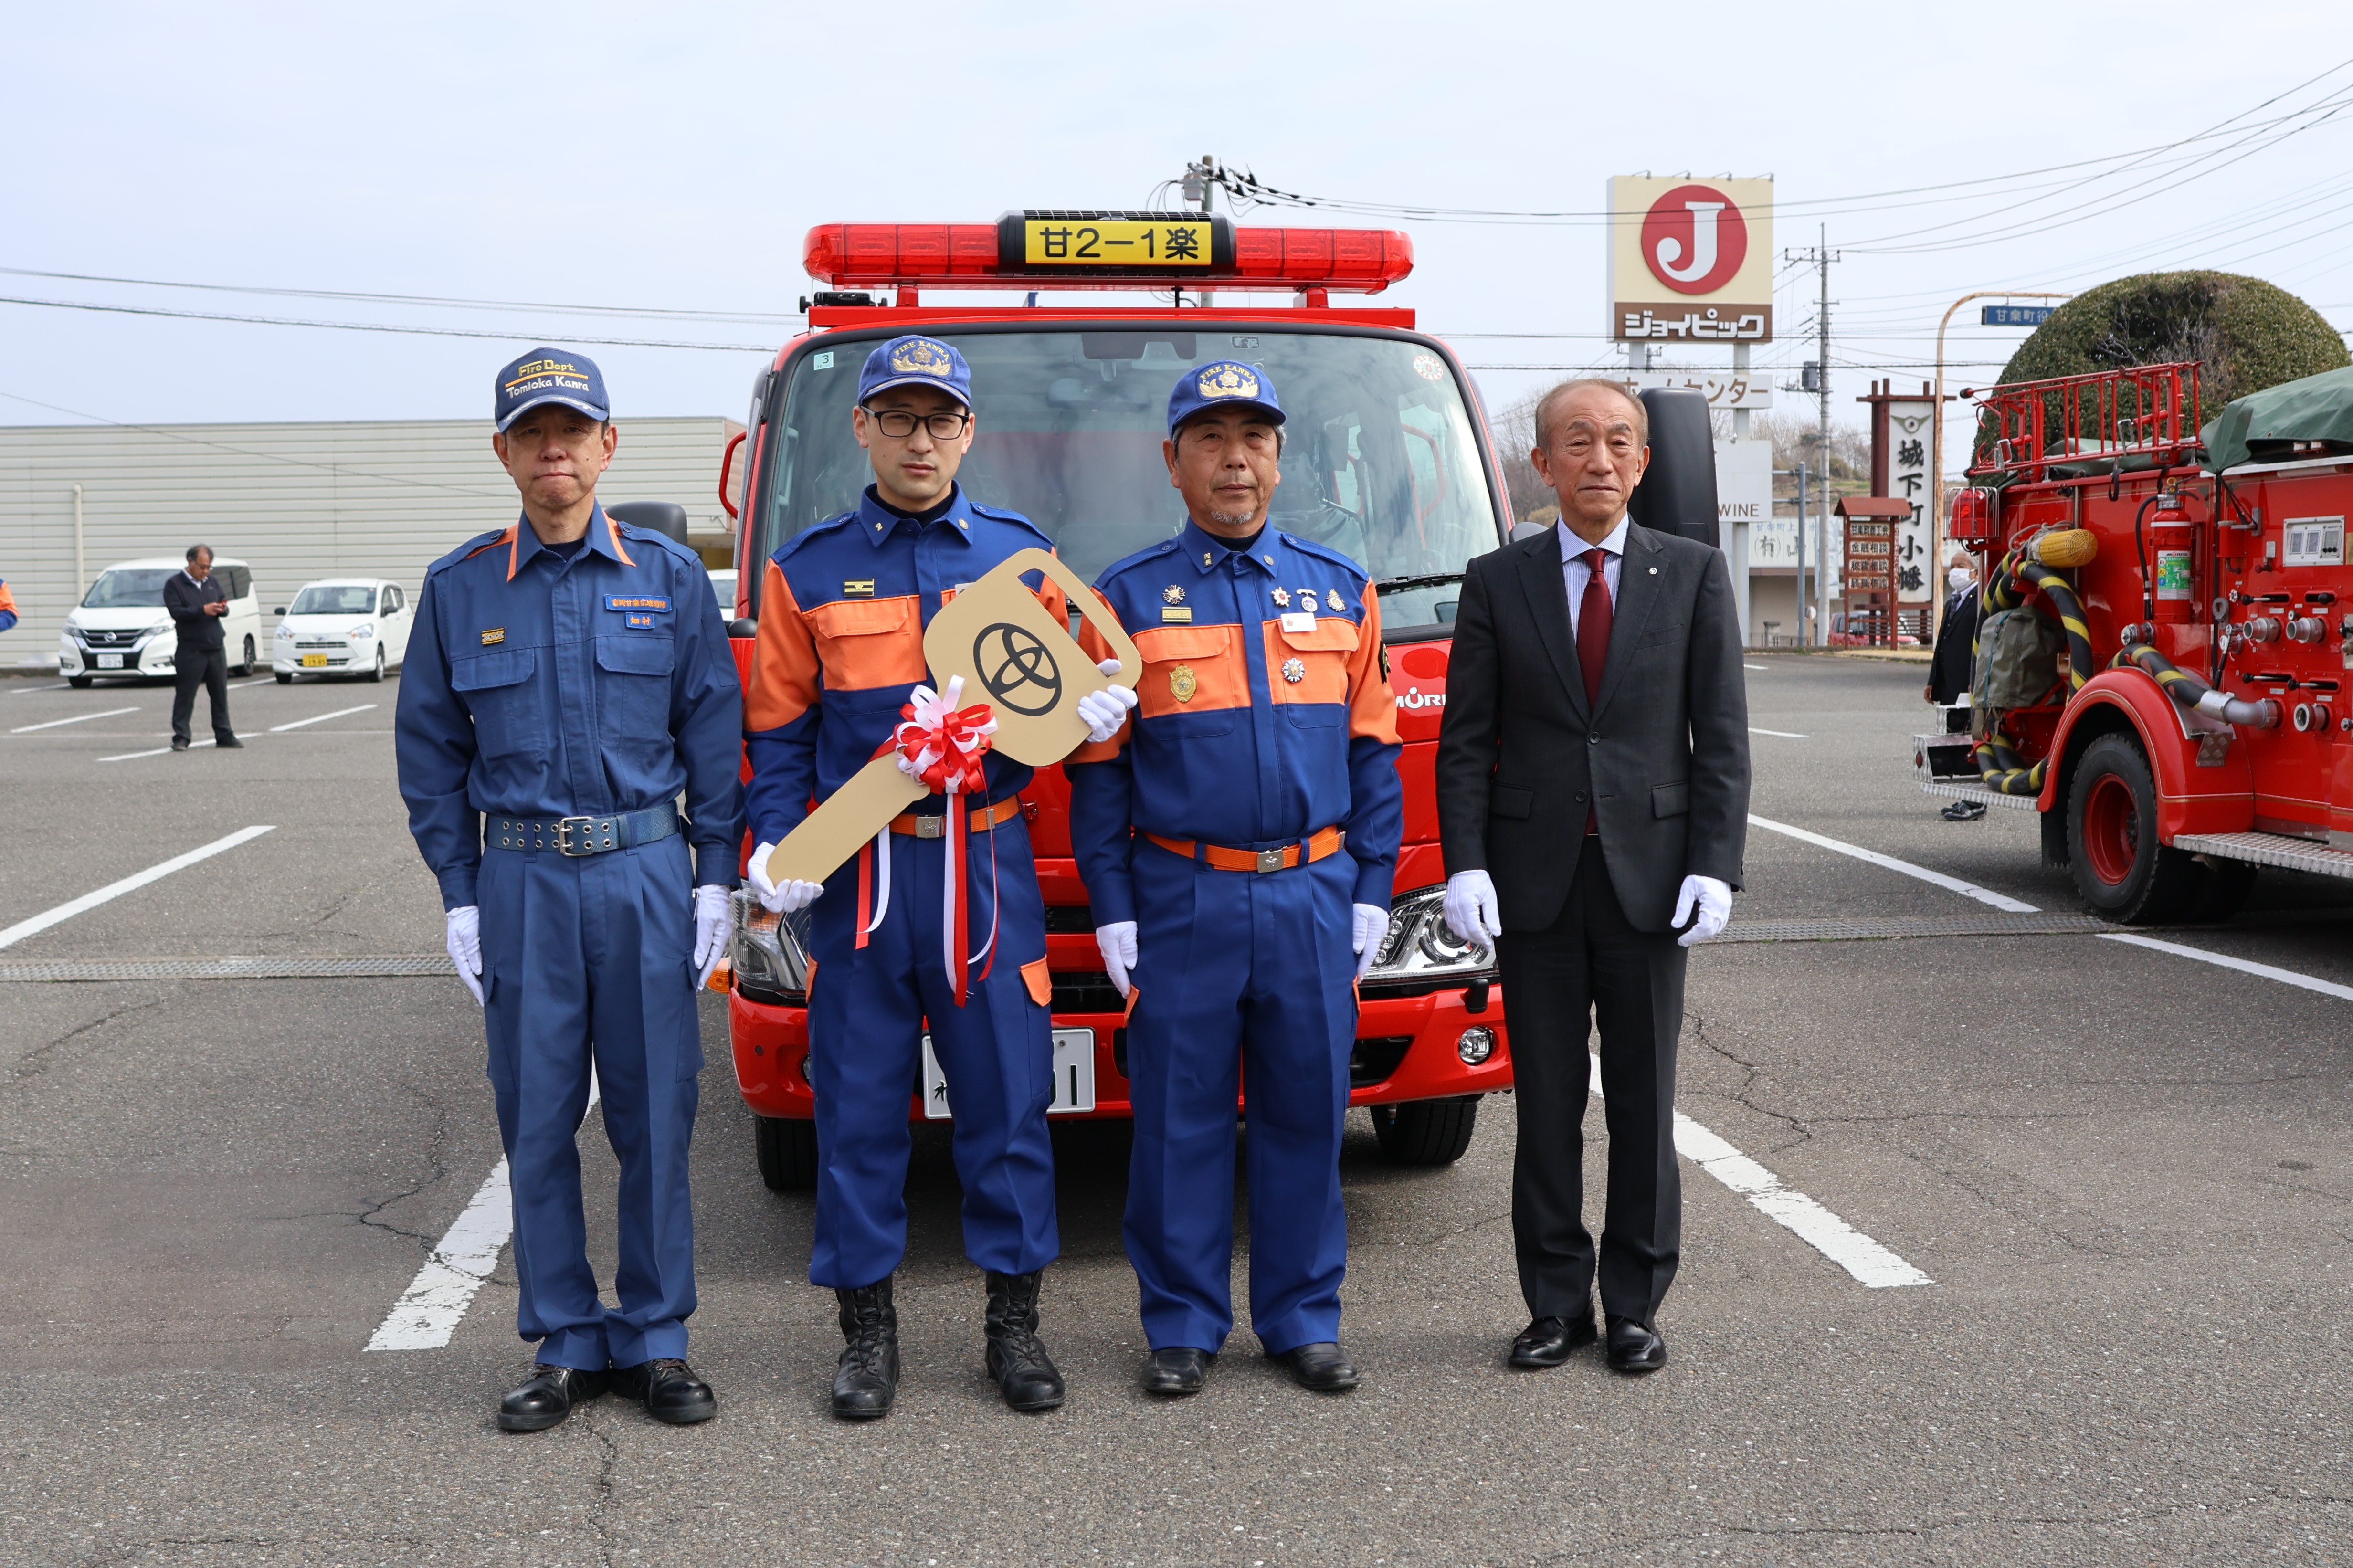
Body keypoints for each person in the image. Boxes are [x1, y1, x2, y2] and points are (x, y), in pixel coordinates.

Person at [741, 335, 1136, 1421]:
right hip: (863, 883)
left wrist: (1093, 718)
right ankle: (867, 1335)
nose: (920, 439)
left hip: (989, 868)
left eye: (940, 419)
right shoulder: (804, 570)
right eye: (898, 418)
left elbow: (1061, 710)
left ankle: (1014, 1327)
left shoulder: (1021, 561)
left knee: (1007, 1105)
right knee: (857, 1111)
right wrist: (776, 847)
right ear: (862, 428)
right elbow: (778, 735)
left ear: (968, 432)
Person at [395, 348, 743, 1433]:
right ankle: (564, 1338)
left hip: (645, 871)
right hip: (524, 880)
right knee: (537, 1117)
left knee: (656, 1116)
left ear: (607, 445)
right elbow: (429, 752)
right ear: (504, 452)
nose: (556, 449)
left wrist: (716, 877)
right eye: (534, 433)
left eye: (574, 430)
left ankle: (656, 1336)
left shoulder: (668, 577)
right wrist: (460, 891)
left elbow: (714, 730)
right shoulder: (460, 587)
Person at [1066, 361, 1403, 1399]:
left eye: (1253, 439)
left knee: (1309, 1112)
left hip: (1311, 894)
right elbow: (1097, 775)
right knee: (1179, 1120)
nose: (1234, 460)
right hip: (1183, 897)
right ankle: (1180, 1322)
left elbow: (1373, 753)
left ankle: (1302, 1318)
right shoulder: (1122, 601)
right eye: (1209, 440)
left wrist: (1371, 887)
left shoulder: (1340, 590)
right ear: (1172, 463)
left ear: (1279, 458)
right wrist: (1112, 907)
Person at [1434, 379, 1749, 1376]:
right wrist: (1464, 864)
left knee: (1643, 1103)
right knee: (1546, 1102)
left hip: (1648, 879)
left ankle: (1634, 1305)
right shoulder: (1497, 580)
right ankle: (1552, 1303)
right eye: (1577, 442)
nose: (1599, 460)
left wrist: (1713, 865)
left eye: (1618, 442)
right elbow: (1464, 741)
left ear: (1642, 461)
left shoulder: (1690, 573)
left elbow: (1720, 739)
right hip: (1531, 881)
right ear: (1543, 462)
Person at [164, 545, 241, 751]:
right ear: (191, 562)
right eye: (202, 567)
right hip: (191, 649)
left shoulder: (212, 582)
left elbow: (223, 605)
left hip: (215, 646)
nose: (205, 571)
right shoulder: (175, 584)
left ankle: (224, 734)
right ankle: (181, 737)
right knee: (186, 694)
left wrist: (222, 608)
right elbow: (177, 612)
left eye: (208, 567)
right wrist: (202, 610)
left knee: (220, 694)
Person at [1926, 557, 1980, 710]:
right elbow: (1942, 643)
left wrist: (1978, 678)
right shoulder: (1952, 602)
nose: (1955, 571)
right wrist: (1933, 681)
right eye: (1952, 567)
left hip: (1968, 682)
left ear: (1976, 572)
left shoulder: (1981, 599)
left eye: (1961, 566)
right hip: (1947, 685)